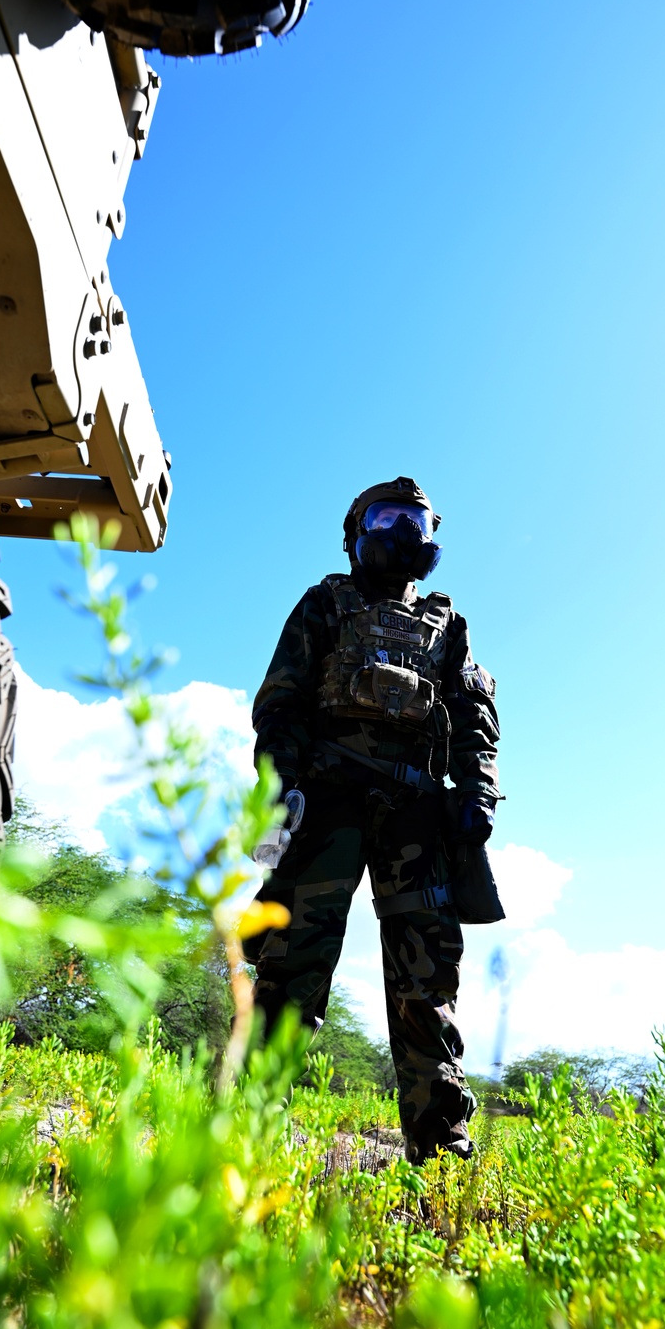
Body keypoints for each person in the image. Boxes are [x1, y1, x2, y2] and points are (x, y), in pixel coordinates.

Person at [244, 477, 501, 1162]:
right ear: (357, 532)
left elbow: (476, 719)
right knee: (292, 961)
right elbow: (282, 701)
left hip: (416, 810)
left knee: (428, 980)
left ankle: (441, 1144)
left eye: (415, 520)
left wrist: (479, 791)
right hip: (327, 799)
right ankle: (249, 1130)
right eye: (387, 518)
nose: (403, 532)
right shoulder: (325, 602)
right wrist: (281, 785)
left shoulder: (449, 623)